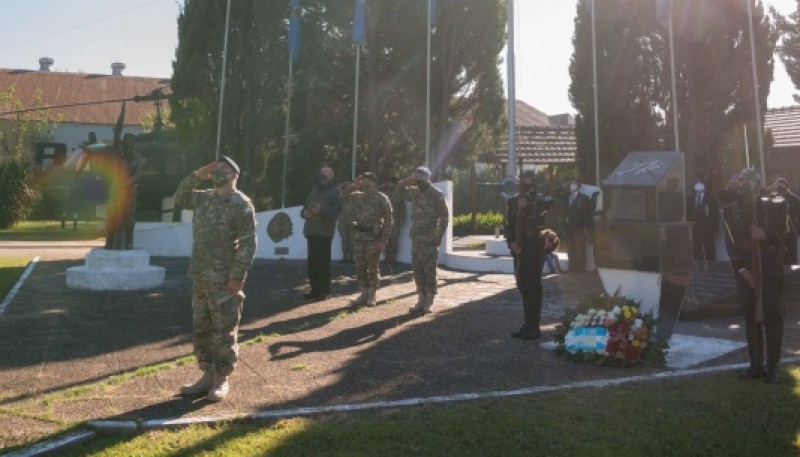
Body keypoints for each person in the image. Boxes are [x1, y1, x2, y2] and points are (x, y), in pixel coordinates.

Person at [174, 156, 257, 401]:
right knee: (202, 329)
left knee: (223, 330)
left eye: (223, 168)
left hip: (224, 279)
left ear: (234, 174)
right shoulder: (203, 198)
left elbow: (248, 244)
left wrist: (237, 278)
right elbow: (180, 196)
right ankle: (206, 376)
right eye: (216, 168)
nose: (218, 171)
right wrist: (198, 174)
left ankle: (222, 379)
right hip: (200, 275)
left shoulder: (241, 204)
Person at [721, 169, 790, 384]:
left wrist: (766, 235)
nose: (748, 186)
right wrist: (742, 270)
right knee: (750, 318)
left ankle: (772, 368)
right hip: (745, 268)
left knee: (772, 317)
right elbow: (731, 243)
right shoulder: (730, 211)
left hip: (769, 266)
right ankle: (756, 365)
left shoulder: (775, 204)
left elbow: (785, 233)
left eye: (752, 182)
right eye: (745, 182)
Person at [505, 170, 553, 340]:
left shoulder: (539, 200)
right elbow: (508, 225)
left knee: (533, 286)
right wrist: (511, 243)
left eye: (530, 179)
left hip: (534, 249)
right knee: (523, 286)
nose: (526, 181)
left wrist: (529, 206)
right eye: (524, 178)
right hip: (519, 249)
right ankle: (527, 323)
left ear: (534, 181)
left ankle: (534, 326)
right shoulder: (513, 201)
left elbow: (548, 207)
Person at [397, 166, 449, 314]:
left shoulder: (437, 194)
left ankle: (430, 299)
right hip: (416, 238)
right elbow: (399, 191)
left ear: (428, 179)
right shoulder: (414, 192)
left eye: (421, 180)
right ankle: (421, 298)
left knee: (430, 270)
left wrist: (439, 236)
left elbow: (444, 217)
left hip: (430, 238)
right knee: (417, 270)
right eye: (416, 180)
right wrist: (407, 180)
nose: (418, 183)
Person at [342, 173, 394, 307]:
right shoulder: (357, 196)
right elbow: (342, 197)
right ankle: (363, 292)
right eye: (363, 185)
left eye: (368, 185)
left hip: (374, 237)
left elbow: (389, 221)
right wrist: (353, 186)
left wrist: (383, 240)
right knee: (360, 266)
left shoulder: (382, 198)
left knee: (372, 267)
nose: (365, 187)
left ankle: (372, 294)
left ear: (375, 185)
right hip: (359, 236)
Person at [301, 166, 342, 301]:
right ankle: (314, 290)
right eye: (321, 172)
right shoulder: (314, 189)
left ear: (331, 176)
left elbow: (338, 210)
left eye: (326, 172)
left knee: (323, 262)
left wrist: (322, 211)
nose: (322, 174)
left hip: (324, 231)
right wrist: (304, 213)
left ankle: (324, 291)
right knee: (312, 262)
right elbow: (305, 206)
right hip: (311, 230)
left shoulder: (335, 191)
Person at [562, 178, 591, 272]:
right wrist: (565, 185)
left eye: (574, 183)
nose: (572, 185)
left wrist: (586, 227)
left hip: (579, 227)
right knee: (570, 248)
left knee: (580, 248)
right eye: (571, 183)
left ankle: (580, 267)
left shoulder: (584, 198)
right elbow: (556, 193)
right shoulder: (567, 196)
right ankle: (572, 266)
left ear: (579, 186)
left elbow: (586, 214)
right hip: (568, 227)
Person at [687, 177, 719, 261]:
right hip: (695, 229)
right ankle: (698, 270)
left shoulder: (711, 198)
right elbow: (688, 212)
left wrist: (716, 229)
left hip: (708, 229)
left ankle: (711, 269)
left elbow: (715, 214)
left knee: (710, 251)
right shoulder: (690, 198)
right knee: (696, 251)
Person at [775, 177, 800, 265]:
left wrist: (797, 231)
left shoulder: (794, 199)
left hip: (790, 233)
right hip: (777, 233)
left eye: (781, 186)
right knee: (780, 258)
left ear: (786, 187)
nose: (779, 189)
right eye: (778, 187)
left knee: (792, 258)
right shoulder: (774, 199)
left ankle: (792, 276)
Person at [381, 180, 406, 264]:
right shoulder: (384, 196)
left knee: (394, 240)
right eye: (387, 187)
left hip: (396, 221)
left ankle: (392, 258)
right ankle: (386, 257)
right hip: (386, 222)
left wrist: (401, 222)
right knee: (386, 239)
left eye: (390, 187)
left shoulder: (398, 196)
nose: (388, 188)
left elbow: (403, 210)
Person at [337, 180, 355, 264]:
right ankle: (345, 257)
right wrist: (342, 186)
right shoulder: (342, 194)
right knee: (344, 239)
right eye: (347, 185)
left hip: (353, 221)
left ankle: (351, 258)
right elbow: (340, 194)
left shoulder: (356, 194)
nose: (349, 186)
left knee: (352, 240)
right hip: (343, 221)